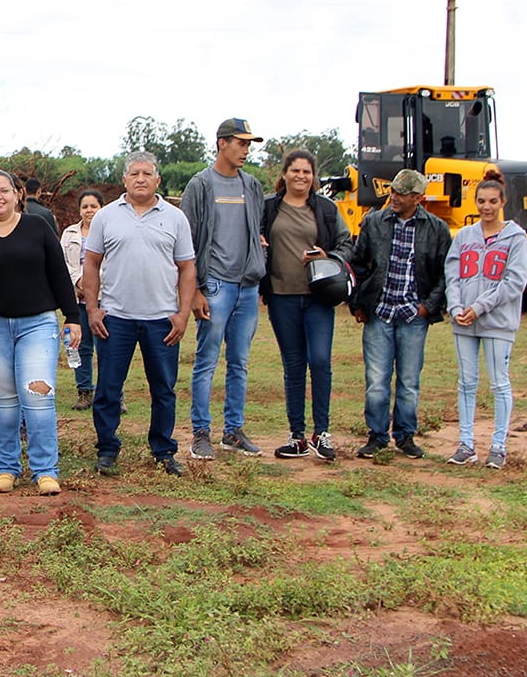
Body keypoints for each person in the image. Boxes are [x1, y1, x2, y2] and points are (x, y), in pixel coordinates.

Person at [0, 171, 81, 495]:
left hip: (37, 324)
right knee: (3, 399)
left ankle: (45, 470)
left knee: (38, 395)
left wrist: (72, 316)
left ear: (17, 195)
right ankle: (6, 467)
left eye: (5, 191)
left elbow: (58, 273)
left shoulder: (37, 227)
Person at [79, 153, 197, 476]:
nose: (141, 178)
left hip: (162, 319)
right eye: (134, 173)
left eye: (147, 173)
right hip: (115, 318)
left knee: (163, 388)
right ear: (125, 180)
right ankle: (106, 448)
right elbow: (91, 263)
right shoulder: (105, 217)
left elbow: (187, 268)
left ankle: (163, 450)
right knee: (108, 388)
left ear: (158, 180)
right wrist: (92, 309)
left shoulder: (175, 218)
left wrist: (183, 314)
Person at [181, 118, 267, 459]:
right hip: (214, 283)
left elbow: (255, 229)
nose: (246, 150)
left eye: (248, 145)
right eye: (241, 143)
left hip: (246, 285)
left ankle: (233, 431)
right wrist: (196, 290)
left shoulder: (252, 185)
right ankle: (201, 432)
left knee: (240, 361)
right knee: (207, 359)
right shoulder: (201, 185)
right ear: (222, 143)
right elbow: (186, 243)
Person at [351, 168, 452, 459]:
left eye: (402, 194)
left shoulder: (436, 229)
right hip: (379, 312)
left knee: (409, 381)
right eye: (393, 191)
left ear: (418, 198)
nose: (394, 197)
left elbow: (446, 274)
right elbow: (357, 264)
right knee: (376, 381)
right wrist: (358, 303)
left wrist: (427, 306)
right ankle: (377, 436)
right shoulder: (373, 222)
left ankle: (405, 436)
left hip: (413, 315)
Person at [261, 150, 353, 461]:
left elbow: (346, 242)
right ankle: (297, 436)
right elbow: (254, 238)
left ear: (313, 177)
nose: (301, 176)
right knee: (294, 365)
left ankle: (322, 432)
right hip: (281, 295)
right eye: (295, 171)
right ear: (284, 174)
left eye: (307, 172)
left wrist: (326, 255)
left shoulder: (326, 208)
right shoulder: (268, 207)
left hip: (318, 296)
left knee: (321, 360)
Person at [444, 169, 527, 470]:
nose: (486, 207)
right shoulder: (464, 236)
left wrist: (479, 306)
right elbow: (452, 275)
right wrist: (455, 308)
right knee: (466, 383)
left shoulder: (516, 238)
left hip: (497, 322)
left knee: (498, 383)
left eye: (492, 201)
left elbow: (514, 282)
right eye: (481, 201)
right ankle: (466, 444)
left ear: (502, 201)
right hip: (464, 322)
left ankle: (498, 446)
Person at [60, 189, 104, 410]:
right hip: (78, 299)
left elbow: (113, 263)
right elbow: (63, 263)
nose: (89, 211)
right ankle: (85, 391)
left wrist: (93, 287)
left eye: (93, 206)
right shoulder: (69, 234)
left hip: (105, 300)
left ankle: (113, 393)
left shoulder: (110, 231)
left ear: (101, 208)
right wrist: (79, 283)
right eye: (85, 207)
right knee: (80, 346)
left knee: (107, 348)